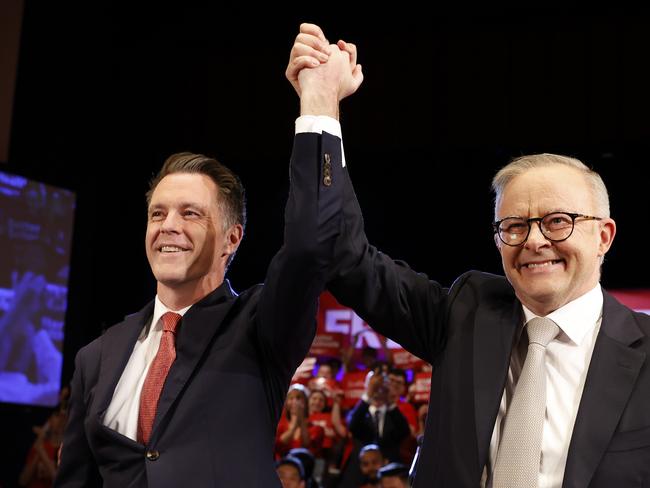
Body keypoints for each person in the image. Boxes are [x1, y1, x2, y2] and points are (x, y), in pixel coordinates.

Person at [287, 22, 650, 488]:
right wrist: (320, 104)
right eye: (514, 226)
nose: (535, 241)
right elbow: (339, 251)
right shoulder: (465, 313)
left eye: (558, 221)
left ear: (604, 236)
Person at [54, 69, 353, 488]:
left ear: (232, 239)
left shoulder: (261, 325)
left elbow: (309, 243)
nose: (168, 226)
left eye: (190, 213)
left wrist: (318, 105)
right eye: (157, 213)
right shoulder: (97, 356)